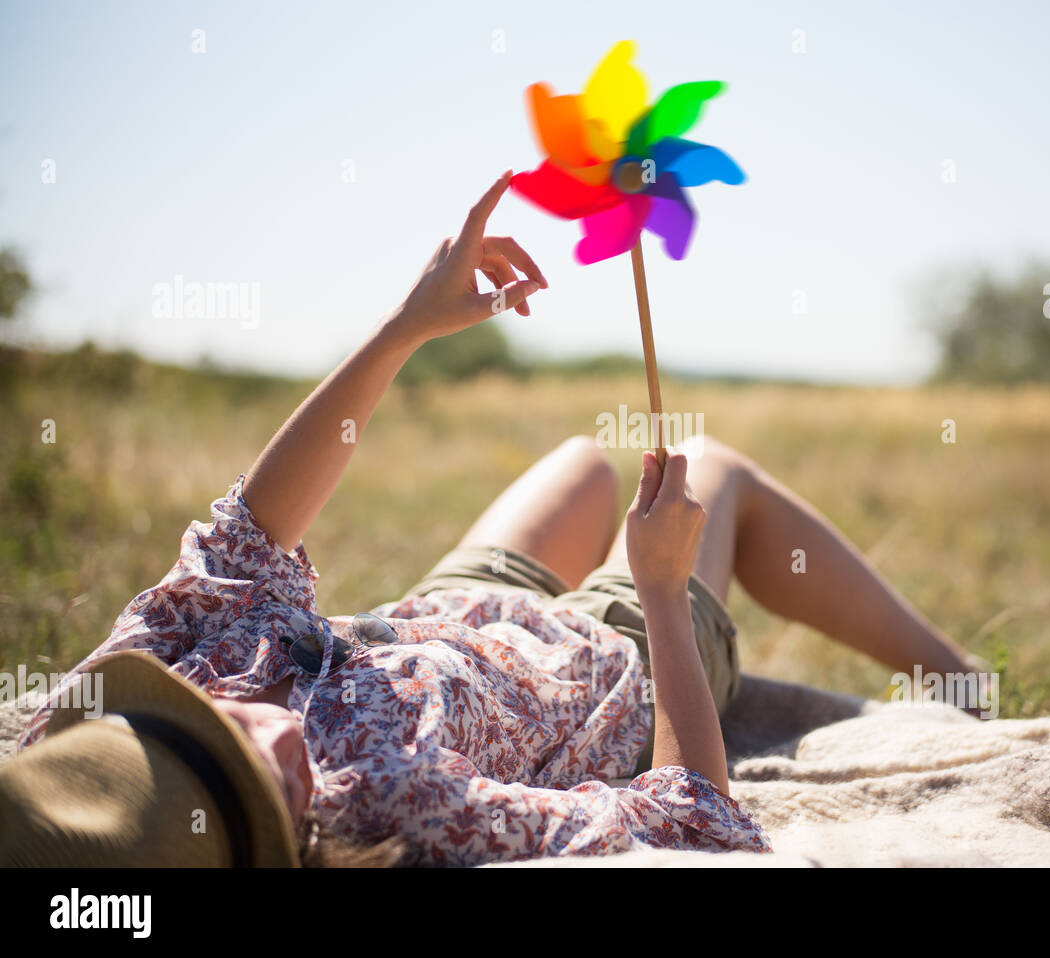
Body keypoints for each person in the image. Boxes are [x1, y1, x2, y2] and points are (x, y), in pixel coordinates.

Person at [3, 172, 977, 867]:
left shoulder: (141, 672)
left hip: (448, 612)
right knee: (714, 467)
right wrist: (661, 593)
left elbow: (248, 531)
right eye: (267, 787)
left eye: (227, 733)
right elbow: (694, 819)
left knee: (582, 464)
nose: (279, 744)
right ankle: (964, 683)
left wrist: (407, 324)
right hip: (606, 668)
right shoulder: (392, 808)